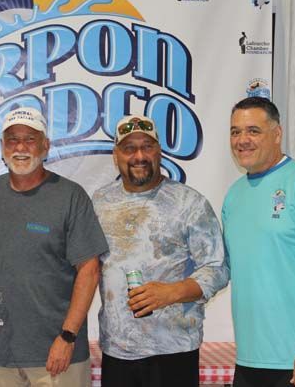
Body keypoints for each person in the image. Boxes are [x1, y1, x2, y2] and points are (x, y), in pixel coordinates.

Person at [92, 114, 229, 387]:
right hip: (117, 349)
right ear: (115, 155)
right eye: (129, 148)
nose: (139, 156)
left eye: (147, 146)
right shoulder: (100, 202)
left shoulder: (189, 203)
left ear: (160, 152)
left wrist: (171, 292)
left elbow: (218, 268)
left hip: (173, 349)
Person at [0, 107, 109, 387]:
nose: (21, 147)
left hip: (58, 354)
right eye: (13, 140)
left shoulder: (70, 196)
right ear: (2, 147)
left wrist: (68, 336)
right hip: (0, 354)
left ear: (46, 146)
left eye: (30, 139)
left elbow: (89, 270)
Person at [222, 97, 295, 387]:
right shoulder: (234, 195)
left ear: (277, 134)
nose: (242, 140)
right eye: (235, 132)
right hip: (248, 361)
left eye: (253, 130)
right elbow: (224, 268)